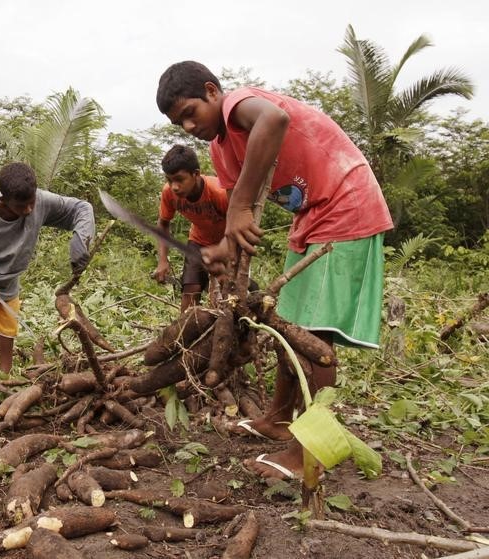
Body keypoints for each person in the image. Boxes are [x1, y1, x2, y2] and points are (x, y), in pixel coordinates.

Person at [156, 61, 393, 480]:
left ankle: (310, 455)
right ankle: (279, 419)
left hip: (344, 203)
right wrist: (221, 249)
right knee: (288, 327)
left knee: (313, 337)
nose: (188, 126)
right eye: (179, 123)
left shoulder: (240, 105)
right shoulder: (219, 149)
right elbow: (235, 213)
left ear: (212, 92)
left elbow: (275, 119)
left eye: (191, 112)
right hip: (311, 218)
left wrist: (242, 207)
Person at [0, 162, 95, 385]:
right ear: (4, 201)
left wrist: (81, 239)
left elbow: (81, 208)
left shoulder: (39, 200)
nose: (29, 210)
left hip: (10, 276)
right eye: (21, 206)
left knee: (7, 323)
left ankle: (4, 375)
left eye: (31, 203)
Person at [153, 144, 228, 312]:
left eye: (179, 179)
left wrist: (223, 253)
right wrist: (163, 260)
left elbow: (238, 225)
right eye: (169, 180)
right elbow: (163, 223)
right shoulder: (168, 193)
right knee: (190, 290)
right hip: (198, 242)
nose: (174, 186)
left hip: (227, 241)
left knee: (229, 292)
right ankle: (184, 333)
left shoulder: (219, 192)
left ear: (196, 174)